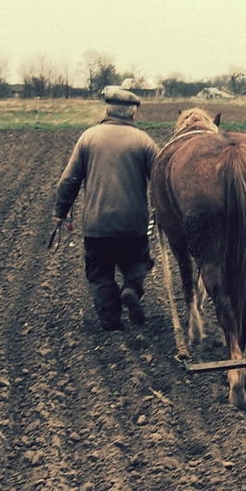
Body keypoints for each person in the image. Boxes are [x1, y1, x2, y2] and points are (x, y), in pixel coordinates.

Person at [53, 87, 159, 332]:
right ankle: (131, 288)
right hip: (134, 225)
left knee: (100, 274)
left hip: (97, 225)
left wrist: (61, 211)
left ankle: (111, 323)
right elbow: (161, 180)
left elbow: (70, 180)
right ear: (133, 114)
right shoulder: (144, 141)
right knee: (138, 263)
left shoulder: (88, 138)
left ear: (107, 110)